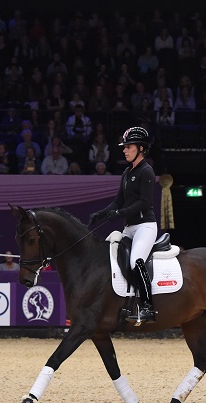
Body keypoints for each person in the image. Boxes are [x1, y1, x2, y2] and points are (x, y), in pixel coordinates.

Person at [88, 126, 158, 323]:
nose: (125, 150)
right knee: (110, 257)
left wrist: (120, 213)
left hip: (145, 226)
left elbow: (144, 202)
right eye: (124, 147)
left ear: (141, 149)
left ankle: (147, 306)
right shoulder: (127, 172)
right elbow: (118, 201)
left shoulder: (147, 171)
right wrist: (100, 214)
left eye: (129, 147)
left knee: (136, 261)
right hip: (129, 228)